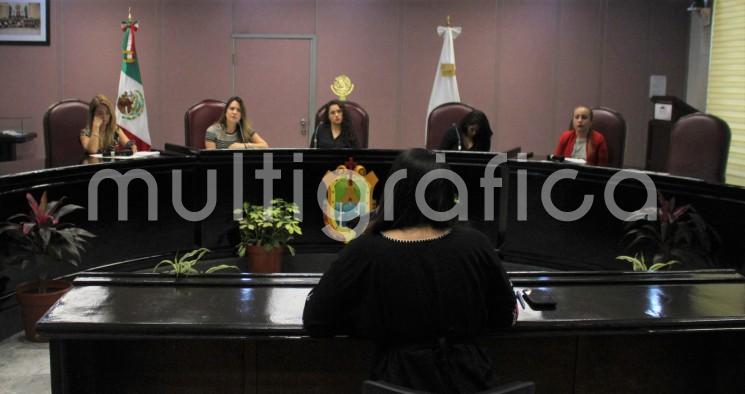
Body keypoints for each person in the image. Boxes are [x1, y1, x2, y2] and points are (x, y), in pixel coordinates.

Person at [303, 148, 517, 393]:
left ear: (394, 193)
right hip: (471, 380)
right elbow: (506, 315)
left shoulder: (365, 250)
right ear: (446, 192)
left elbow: (315, 319)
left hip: (398, 380)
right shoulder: (476, 244)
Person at [204, 96, 269, 149]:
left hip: (238, 163)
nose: (235, 112)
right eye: (232, 109)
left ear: (241, 115)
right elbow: (212, 160)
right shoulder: (212, 131)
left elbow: (265, 145)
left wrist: (244, 145)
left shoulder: (245, 130)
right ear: (225, 112)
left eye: (238, 110)